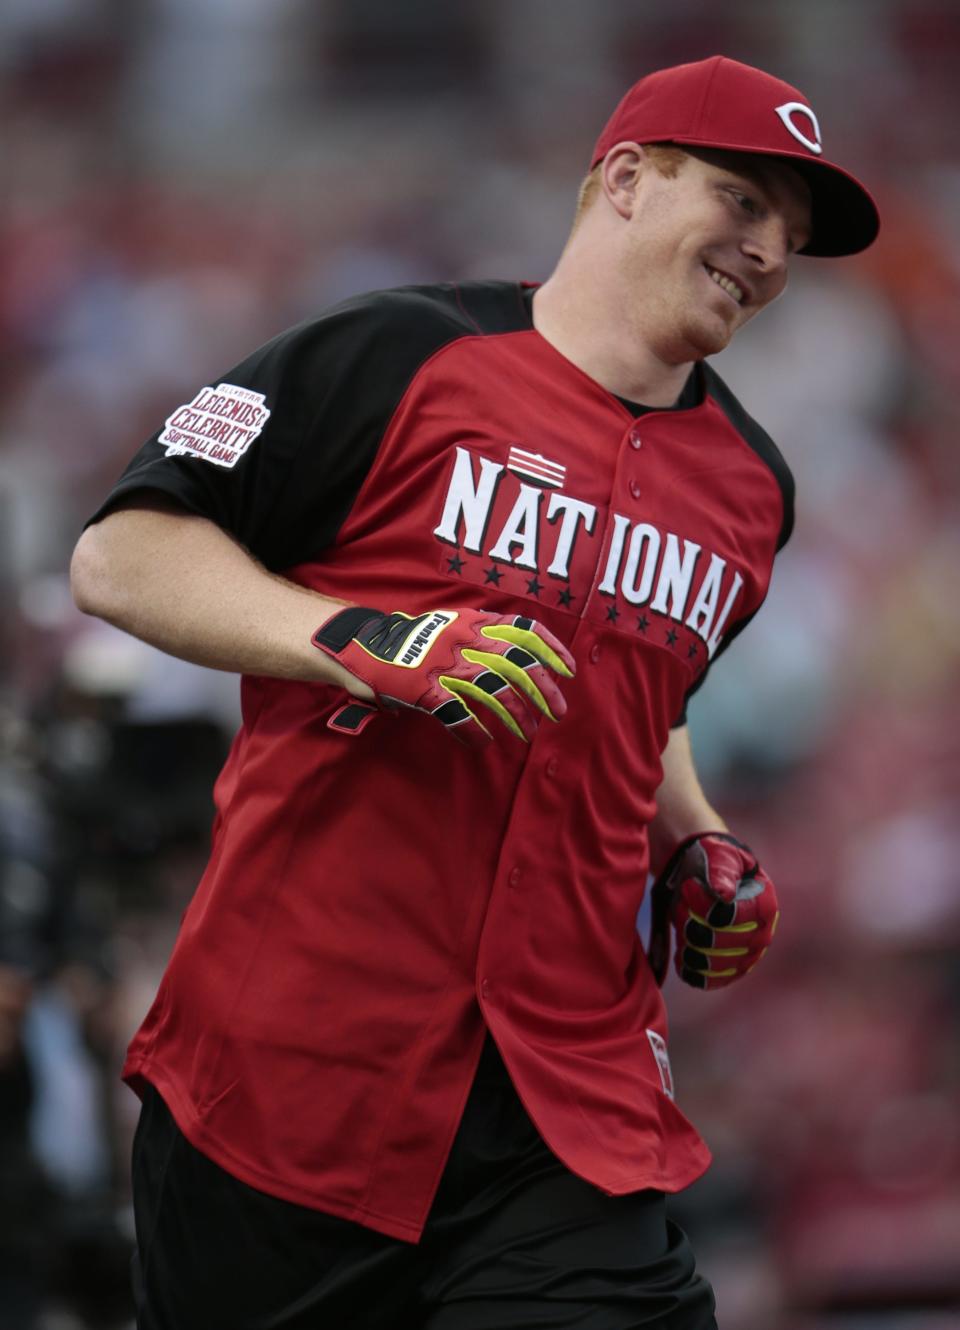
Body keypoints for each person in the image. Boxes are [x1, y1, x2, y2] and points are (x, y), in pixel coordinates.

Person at [70, 54, 878, 1330]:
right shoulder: (396, 354)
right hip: (289, 1077)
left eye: (793, 232)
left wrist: (699, 835)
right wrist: (361, 636)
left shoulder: (750, 489)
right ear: (624, 178)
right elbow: (121, 555)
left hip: (567, 1098)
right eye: (740, 198)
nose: (770, 249)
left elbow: (644, 695)